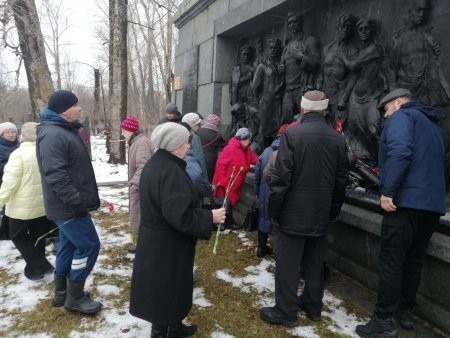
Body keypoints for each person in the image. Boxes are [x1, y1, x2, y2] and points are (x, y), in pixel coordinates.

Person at [355, 88, 446, 337]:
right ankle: (405, 312)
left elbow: (400, 152)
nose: (385, 116)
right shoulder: (433, 125)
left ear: (398, 102)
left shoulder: (402, 117)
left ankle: (383, 319)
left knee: (392, 261)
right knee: (414, 260)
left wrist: (388, 191)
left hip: (405, 203)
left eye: (385, 110)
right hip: (432, 206)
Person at [129, 122, 226, 338]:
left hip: (158, 240)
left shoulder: (158, 163)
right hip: (167, 244)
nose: (189, 147)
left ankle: (173, 326)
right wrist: (210, 216)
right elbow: (179, 215)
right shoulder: (171, 171)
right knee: (167, 288)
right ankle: (162, 331)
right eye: (185, 143)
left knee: (166, 287)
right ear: (174, 146)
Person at [260, 91, 348, 327]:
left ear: (303, 109)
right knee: (314, 263)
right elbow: (341, 181)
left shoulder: (292, 134)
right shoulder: (338, 139)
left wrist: (274, 211)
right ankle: (313, 307)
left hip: (292, 213)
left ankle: (286, 311)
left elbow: (281, 178)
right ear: (324, 110)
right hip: (320, 214)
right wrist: (333, 211)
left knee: (288, 265)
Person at [36, 90, 102, 315]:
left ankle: (61, 293)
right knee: (89, 245)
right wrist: (75, 202)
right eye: (76, 105)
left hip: (66, 205)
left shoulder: (62, 130)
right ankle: (75, 297)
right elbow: (55, 174)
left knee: (68, 244)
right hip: (67, 206)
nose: (80, 108)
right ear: (64, 110)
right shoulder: (54, 134)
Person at [0, 122, 53, 280]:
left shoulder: (18, 154)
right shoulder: (45, 151)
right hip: (42, 204)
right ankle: (35, 272)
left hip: (21, 208)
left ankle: (42, 265)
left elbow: (9, 184)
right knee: (39, 236)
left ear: (22, 135)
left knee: (17, 236)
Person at [391, 0, 449, 107]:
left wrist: (434, 54)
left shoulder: (427, 35)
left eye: (425, 10)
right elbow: (392, 69)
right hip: (407, 90)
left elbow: (434, 65)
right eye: (418, 10)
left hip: (428, 90)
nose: (422, 14)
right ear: (410, 11)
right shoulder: (398, 39)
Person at [212, 127, 258, 230]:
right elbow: (220, 165)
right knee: (225, 203)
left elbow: (256, 160)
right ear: (242, 139)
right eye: (248, 139)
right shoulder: (231, 148)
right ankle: (224, 224)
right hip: (227, 182)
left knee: (229, 203)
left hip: (236, 182)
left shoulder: (246, 150)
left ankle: (228, 223)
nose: (250, 141)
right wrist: (222, 181)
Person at [280, 12, 321, 124]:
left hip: (302, 89)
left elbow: (317, 64)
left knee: (307, 121)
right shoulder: (287, 46)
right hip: (288, 90)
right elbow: (283, 63)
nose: (292, 25)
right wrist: (281, 69)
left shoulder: (310, 41)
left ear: (301, 23)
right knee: (285, 122)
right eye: (290, 23)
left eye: (295, 21)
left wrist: (301, 57)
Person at [254, 124, 288, 258]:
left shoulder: (267, 151)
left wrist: (257, 191)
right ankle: (278, 253)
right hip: (280, 193)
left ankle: (261, 248)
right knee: (279, 223)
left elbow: (257, 172)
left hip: (264, 192)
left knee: (263, 219)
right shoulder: (289, 152)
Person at [120, 115, 154, 254]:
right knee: (141, 217)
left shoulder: (142, 143)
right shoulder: (136, 142)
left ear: (130, 130)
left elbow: (144, 165)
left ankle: (146, 246)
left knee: (144, 217)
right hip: (138, 187)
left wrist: (135, 182)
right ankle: (142, 244)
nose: (122, 133)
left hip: (141, 188)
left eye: (123, 130)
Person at [252, 38, 284, 153]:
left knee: (277, 129)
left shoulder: (282, 65)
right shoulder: (262, 66)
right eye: (271, 48)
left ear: (279, 49)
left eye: (275, 48)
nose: (273, 50)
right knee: (263, 131)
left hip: (278, 103)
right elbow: (255, 87)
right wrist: (258, 103)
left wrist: (282, 74)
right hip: (265, 103)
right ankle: (261, 155)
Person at [0, 122, 19, 240]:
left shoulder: (17, 146)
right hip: (4, 179)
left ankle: (6, 233)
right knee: (7, 206)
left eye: (13, 132)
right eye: (7, 132)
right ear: (2, 135)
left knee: (11, 206)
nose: (11, 135)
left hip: (14, 179)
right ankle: (5, 233)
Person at [197, 114, 226, 182]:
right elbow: (225, 145)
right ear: (216, 124)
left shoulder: (199, 131)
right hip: (210, 161)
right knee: (209, 180)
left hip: (198, 157)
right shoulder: (217, 135)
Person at [181, 112, 208, 178]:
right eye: (198, 124)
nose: (200, 126)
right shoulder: (195, 138)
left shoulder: (178, 135)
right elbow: (200, 160)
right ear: (192, 126)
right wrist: (205, 180)